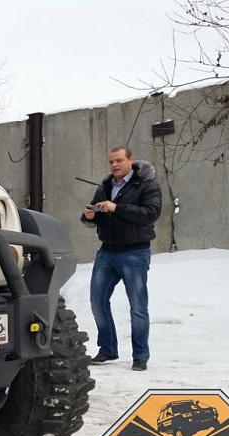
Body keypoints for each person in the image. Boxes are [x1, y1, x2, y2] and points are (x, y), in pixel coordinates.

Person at [80, 146, 162, 371]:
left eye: (118, 160)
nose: (114, 165)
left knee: (137, 306)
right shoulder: (105, 186)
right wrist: (89, 216)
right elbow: (95, 218)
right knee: (97, 302)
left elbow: (150, 214)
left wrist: (117, 207)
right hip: (107, 252)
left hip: (135, 253)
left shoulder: (147, 186)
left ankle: (140, 356)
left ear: (131, 160)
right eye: (111, 162)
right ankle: (108, 349)